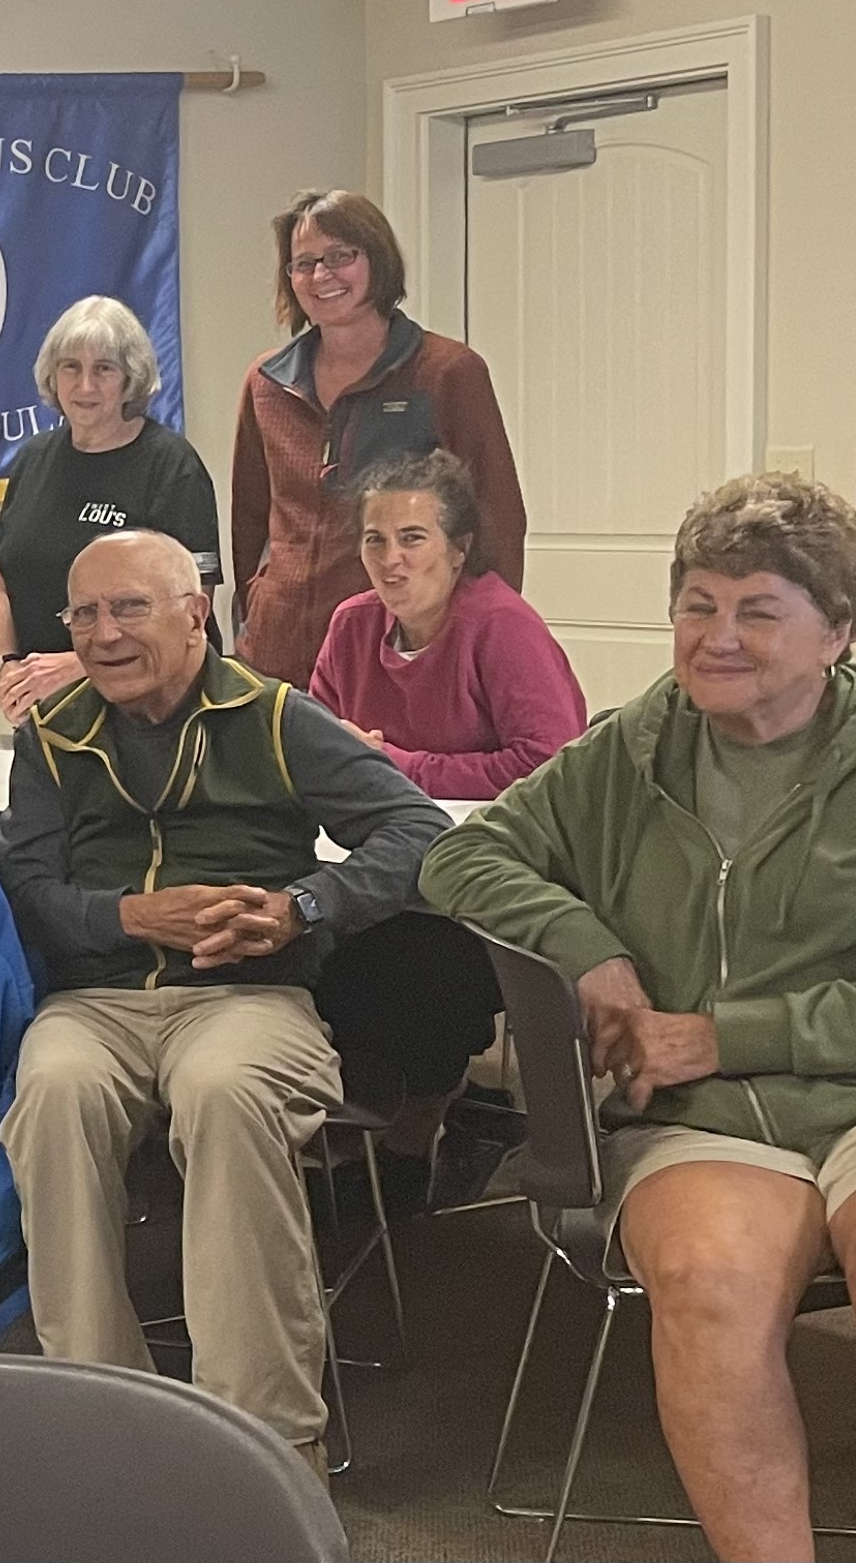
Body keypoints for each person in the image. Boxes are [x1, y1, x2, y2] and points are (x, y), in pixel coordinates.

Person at [425, 472, 856, 1563]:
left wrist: (723, 1032)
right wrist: (586, 948)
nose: (716, 637)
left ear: (837, 633)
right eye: (697, 604)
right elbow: (462, 854)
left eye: (756, 609)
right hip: (711, 1118)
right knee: (706, 1284)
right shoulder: (633, 749)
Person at [0, 529, 446, 1464]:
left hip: (249, 1000)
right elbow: (29, 890)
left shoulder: (276, 717)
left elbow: (416, 829)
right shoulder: (52, 734)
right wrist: (129, 916)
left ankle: (266, 1449)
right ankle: (100, 1425)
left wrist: (305, 905)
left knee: (226, 1091)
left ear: (196, 612)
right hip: (98, 1004)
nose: (104, 634)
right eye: (84, 614)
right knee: (53, 1092)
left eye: (130, 608)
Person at [304, 445, 585, 1192]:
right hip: (373, 867)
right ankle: (343, 1119)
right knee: (295, 946)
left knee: (409, 979)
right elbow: (314, 750)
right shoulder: (351, 626)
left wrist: (397, 766)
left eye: (413, 538)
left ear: (459, 548)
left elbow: (551, 763)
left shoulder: (501, 627)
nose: (391, 559)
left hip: (484, 885)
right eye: (374, 540)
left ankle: (416, 1129)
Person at [228, 190, 528, 684]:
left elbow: (496, 518)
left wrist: (482, 641)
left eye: (341, 256)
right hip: (276, 656)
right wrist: (256, 606)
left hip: (397, 657)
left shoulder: (447, 372)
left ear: (378, 259)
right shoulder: (266, 382)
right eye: (304, 263)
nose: (322, 275)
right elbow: (248, 520)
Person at [0, 296, 221, 726]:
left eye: (104, 369)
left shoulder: (170, 465)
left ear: (131, 379)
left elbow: (190, 614)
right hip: (47, 712)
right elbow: (4, 583)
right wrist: (10, 667)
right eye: (71, 367)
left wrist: (80, 666)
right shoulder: (34, 459)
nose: (85, 386)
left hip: (155, 714)